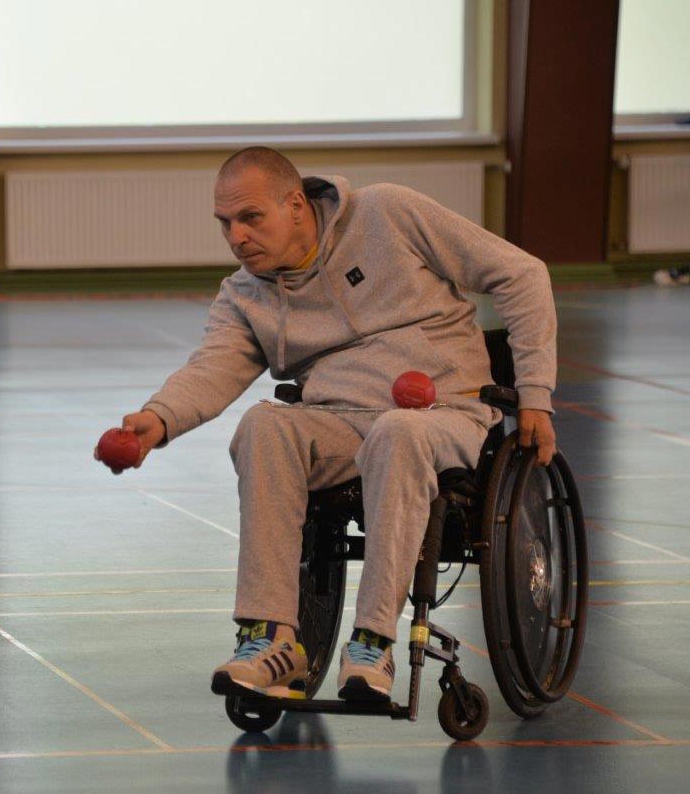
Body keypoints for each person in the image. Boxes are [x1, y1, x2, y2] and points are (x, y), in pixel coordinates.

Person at [101, 147, 557, 702]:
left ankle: (372, 642)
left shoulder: (387, 214)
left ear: (296, 205)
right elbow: (213, 368)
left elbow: (522, 274)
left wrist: (535, 395)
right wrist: (157, 419)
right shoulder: (245, 294)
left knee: (398, 431)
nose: (236, 237)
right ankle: (270, 638)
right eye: (225, 223)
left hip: (442, 415)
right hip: (337, 423)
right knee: (263, 426)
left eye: (250, 218)